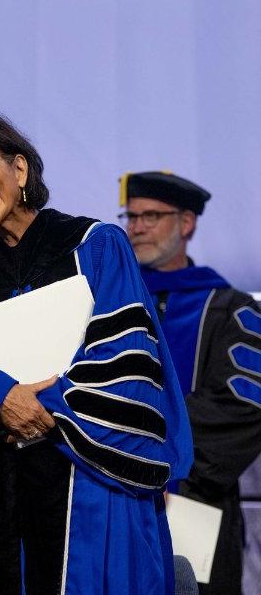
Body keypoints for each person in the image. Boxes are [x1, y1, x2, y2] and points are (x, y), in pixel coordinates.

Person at [0, 113, 193, 595]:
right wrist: (0, 397)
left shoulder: (94, 247)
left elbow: (129, 359)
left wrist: (44, 406)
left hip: (91, 478)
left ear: (20, 170)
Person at [118, 171, 261, 595]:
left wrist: (159, 459)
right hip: (116, 500)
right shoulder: (112, 302)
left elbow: (243, 406)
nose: (137, 226)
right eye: (131, 216)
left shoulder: (231, 309)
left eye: (151, 216)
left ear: (187, 223)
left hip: (195, 501)